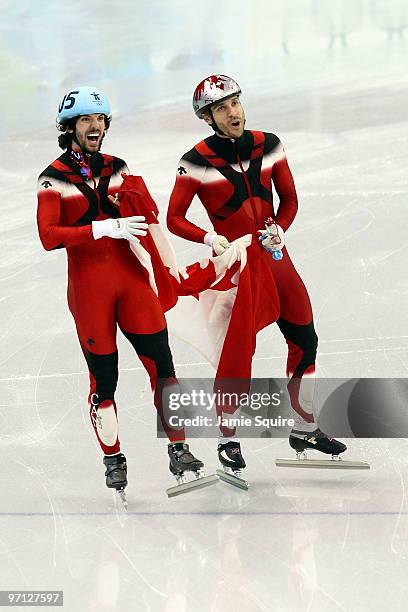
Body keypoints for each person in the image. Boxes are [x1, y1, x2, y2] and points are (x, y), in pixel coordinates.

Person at [36, 86, 209, 503]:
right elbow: (47, 236)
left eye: (100, 120)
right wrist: (99, 228)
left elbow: (148, 219)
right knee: (105, 381)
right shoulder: (52, 177)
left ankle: (179, 449)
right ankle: (113, 459)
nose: (95, 127)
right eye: (85, 121)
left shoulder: (118, 167)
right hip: (90, 292)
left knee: (163, 366)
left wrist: (166, 257)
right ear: (70, 128)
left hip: (131, 283)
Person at [167, 74, 347, 473]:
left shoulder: (270, 144)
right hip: (241, 265)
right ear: (208, 118)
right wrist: (209, 238)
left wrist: (281, 227)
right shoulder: (194, 162)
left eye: (235, 103)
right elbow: (174, 218)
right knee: (238, 353)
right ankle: (226, 438)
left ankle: (304, 426)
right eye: (221, 108)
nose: (232, 112)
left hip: (276, 256)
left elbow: (290, 199)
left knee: (305, 338)